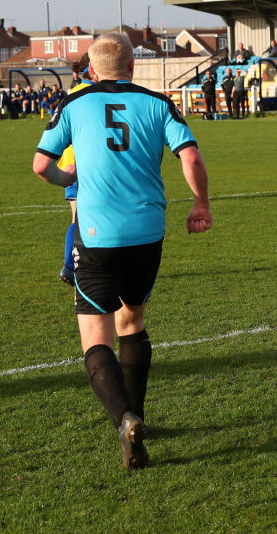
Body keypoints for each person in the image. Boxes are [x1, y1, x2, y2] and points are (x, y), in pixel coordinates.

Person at [32, 31, 212, 470]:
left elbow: (41, 165)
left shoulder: (75, 103)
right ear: (133, 66)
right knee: (133, 321)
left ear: (91, 70)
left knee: (96, 336)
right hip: (148, 232)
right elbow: (190, 157)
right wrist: (201, 203)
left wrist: (67, 179)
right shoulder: (158, 103)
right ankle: (140, 416)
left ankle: (124, 418)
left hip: (96, 235)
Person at [56, 56, 96, 286]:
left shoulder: (71, 95)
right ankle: (72, 266)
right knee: (86, 219)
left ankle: (73, 265)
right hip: (86, 164)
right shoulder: (93, 95)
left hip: (70, 162)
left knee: (77, 217)